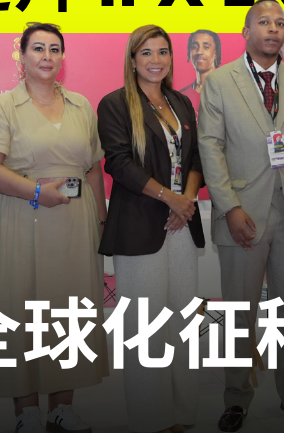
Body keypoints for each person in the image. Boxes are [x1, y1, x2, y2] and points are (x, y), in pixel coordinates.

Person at [198, 0, 284, 432]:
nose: (274, 29)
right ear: (246, 31)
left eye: (280, 23)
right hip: (243, 216)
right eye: (264, 22)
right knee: (241, 314)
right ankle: (236, 400)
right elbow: (211, 148)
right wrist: (229, 207)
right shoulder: (220, 82)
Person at [0, 22, 109, 433]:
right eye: (38, 48)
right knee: (23, 307)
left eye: (54, 49)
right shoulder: (3, 107)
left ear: (62, 57)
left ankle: (61, 408)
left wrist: (102, 219)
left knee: (69, 309)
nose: (47, 56)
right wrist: (35, 191)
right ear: (22, 55)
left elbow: (94, 167)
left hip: (76, 221)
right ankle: (27, 411)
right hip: (24, 216)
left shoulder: (82, 106)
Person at [97, 25, 205, 433]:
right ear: (132, 59)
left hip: (181, 223)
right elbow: (119, 163)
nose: (155, 60)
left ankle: (183, 413)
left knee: (182, 322)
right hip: (140, 226)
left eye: (162, 52)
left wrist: (186, 200)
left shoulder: (182, 102)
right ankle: (152, 420)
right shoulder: (115, 104)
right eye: (146, 53)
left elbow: (196, 159)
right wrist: (169, 198)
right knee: (145, 326)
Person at [178, 29, 222, 97]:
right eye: (194, 47)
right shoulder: (182, 96)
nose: (199, 51)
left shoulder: (227, 91)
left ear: (215, 53)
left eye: (206, 47)